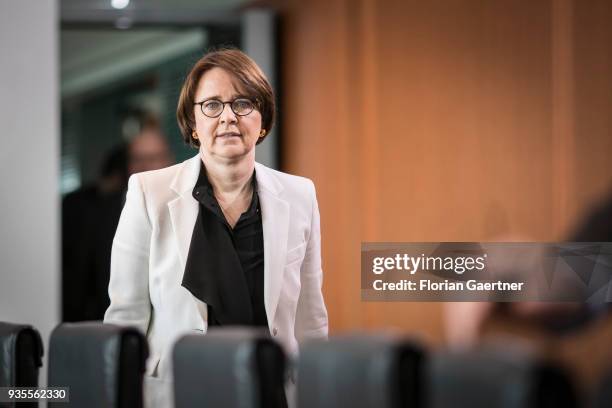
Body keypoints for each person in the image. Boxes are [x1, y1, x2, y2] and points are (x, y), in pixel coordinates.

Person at [104, 49, 328, 408]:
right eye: (211, 105)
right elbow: (125, 321)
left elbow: (311, 319)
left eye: (243, 103)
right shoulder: (149, 193)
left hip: (271, 391)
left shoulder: (300, 195)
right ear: (193, 122)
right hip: (181, 391)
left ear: (263, 120)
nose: (228, 117)